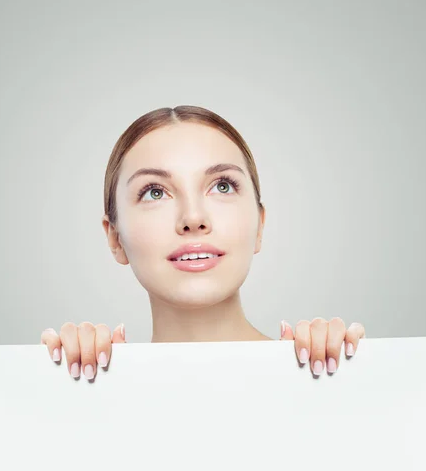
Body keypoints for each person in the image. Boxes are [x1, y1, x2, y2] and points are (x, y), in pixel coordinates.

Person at [41, 105, 366, 381]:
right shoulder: (88, 380)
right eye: (155, 192)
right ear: (115, 238)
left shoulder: (330, 367)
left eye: (222, 186)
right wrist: (75, 386)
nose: (193, 217)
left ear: (259, 225)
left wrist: (345, 377)